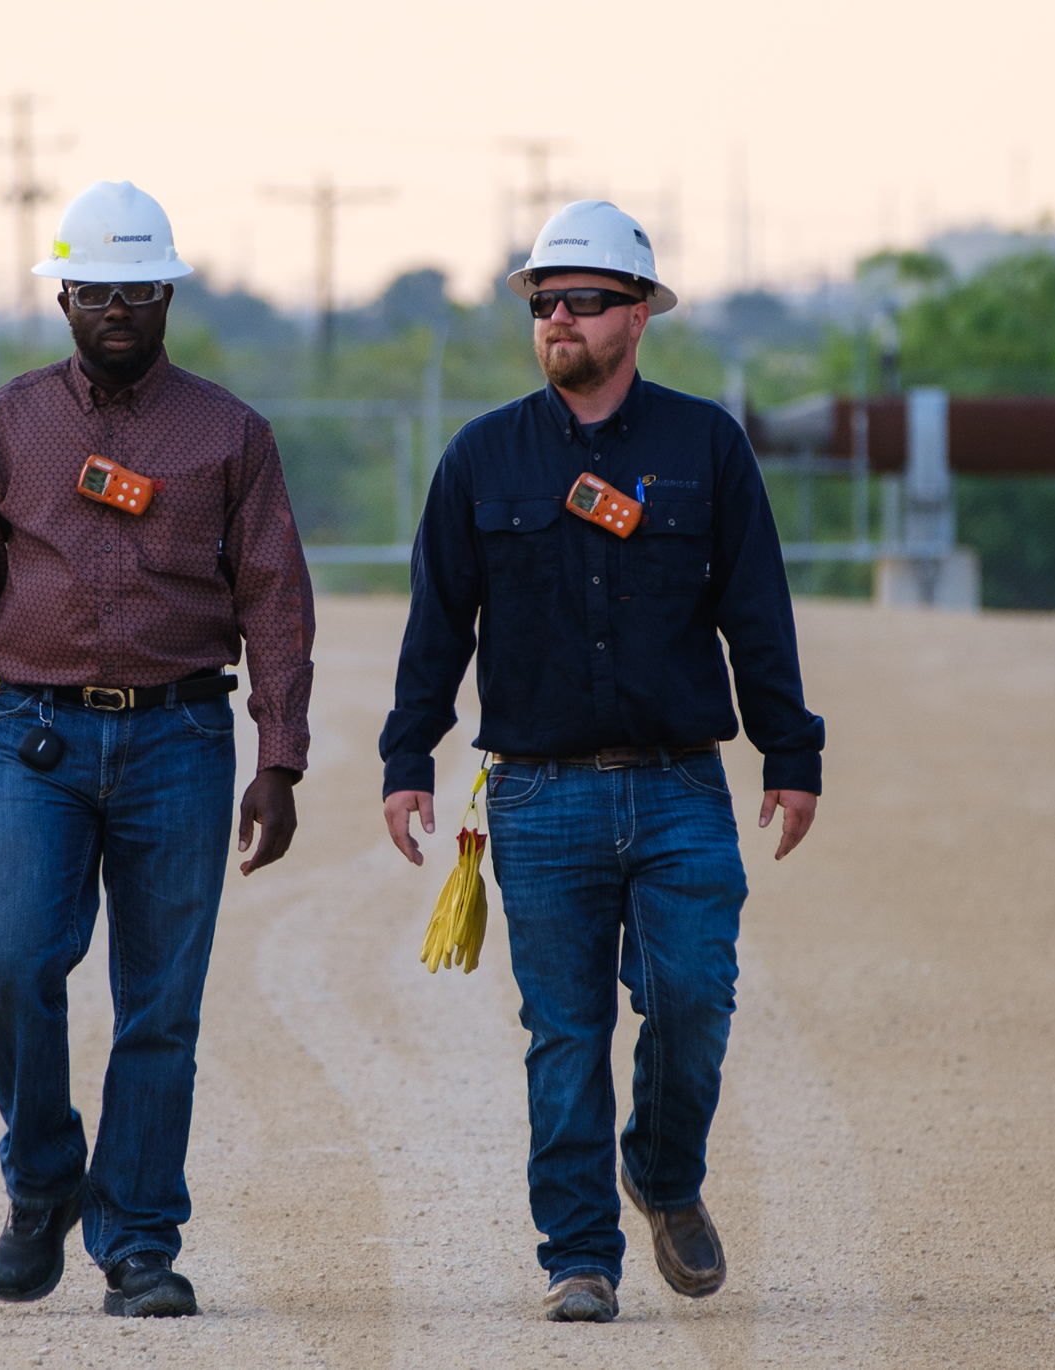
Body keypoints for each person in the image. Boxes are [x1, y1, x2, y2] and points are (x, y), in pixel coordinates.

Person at [0, 180, 315, 1318]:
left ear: (166, 290)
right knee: (12, 964)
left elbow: (275, 599)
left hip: (180, 737)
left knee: (160, 1007)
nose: (115, 304)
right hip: (34, 737)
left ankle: (138, 1245)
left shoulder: (229, 435)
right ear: (63, 296)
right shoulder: (5, 427)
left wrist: (280, 756)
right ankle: (42, 1177)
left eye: (136, 286)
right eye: (95, 288)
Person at [379, 201, 823, 1323]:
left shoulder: (705, 447)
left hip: (679, 786)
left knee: (692, 999)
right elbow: (437, 620)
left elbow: (755, 607)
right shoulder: (482, 455)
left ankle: (663, 1175)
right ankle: (578, 1255)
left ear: (638, 316)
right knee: (564, 1031)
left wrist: (790, 747)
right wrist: (407, 753)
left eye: (581, 300)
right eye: (543, 302)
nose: (557, 318)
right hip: (537, 792)